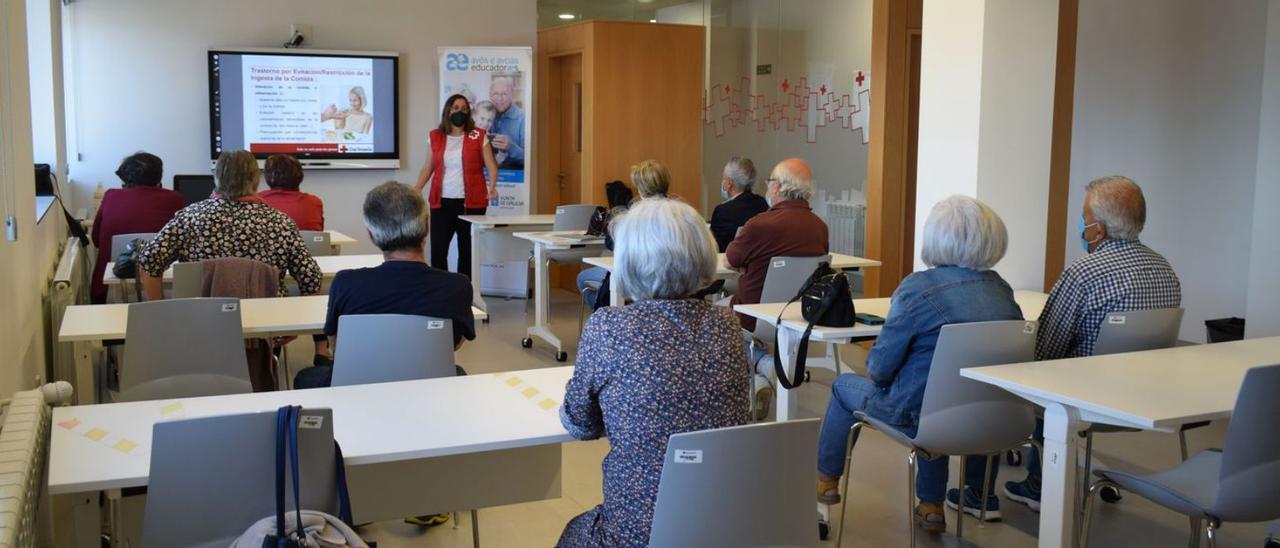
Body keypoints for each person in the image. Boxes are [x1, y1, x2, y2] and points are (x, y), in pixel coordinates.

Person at [815, 195, 1023, 533]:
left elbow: (879, 370)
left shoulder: (917, 288)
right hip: (989, 419)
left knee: (843, 388)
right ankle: (929, 505)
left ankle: (825, 480)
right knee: (937, 395)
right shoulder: (1002, 291)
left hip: (922, 420)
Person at [558, 198, 750, 547]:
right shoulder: (728, 325)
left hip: (638, 532)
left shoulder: (609, 328)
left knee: (575, 531)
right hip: (722, 524)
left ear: (629, 260)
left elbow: (579, 424)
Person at [1004, 175, 1181, 511]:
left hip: (1086, 396)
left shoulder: (1084, 273)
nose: (1081, 226)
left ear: (1097, 230)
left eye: (1084, 218)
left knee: (1033, 375)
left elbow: (1046, 350)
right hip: (1148, 397)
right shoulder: (1165, 269)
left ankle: (1039, 484)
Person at [293, 181, 475, 389]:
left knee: (305, 377)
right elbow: (451, 346)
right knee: (458, 374)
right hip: (428, 390)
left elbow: (336, 345)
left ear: (371, 235)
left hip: (355, 392)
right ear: (426, 226)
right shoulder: (457, 286)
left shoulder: (346, 283)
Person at [137, 150, 322, 300]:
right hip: (267, 330)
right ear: (256, 179)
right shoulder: (281, 223)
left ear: (217, 177)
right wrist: (290, 326)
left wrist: (162, 312)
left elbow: (148, 261)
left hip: (199, 327)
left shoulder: (189, 218)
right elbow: (311, 278)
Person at [725, 157, 829, 332]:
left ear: (778, 186)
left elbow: (729, 261)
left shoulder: (760, 225)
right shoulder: (820, 227)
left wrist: (748, 267)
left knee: (714, 313)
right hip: (802, 317)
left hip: (753, 315)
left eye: (770, 181)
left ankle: (755, 356)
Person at [413, 94, 500, 279]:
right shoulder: (435, 136)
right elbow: (427, 167)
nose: (459, 112)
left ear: (469, 113)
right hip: (441, 202)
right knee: (438, 251)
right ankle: (440, 293)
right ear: (448, 110)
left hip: (472, 203)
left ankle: (464, 293)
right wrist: (416, 190)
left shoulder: (478, 135)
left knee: (467, 252)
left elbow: (491, 165)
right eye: (455, 107)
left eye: (464, 109)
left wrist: (492, 187)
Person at [90, 152, 184, 303]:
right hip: (164, 290)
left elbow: (96, 240)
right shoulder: (175, 199)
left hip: (110, 292)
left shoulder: (111, 196)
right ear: (159, 176)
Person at [576, 160, 671, 307]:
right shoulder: (681, 213)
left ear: (641, 188)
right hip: (672, 278)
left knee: (583, 278)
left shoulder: (634, 214)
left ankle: (611, 319)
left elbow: (613, 244)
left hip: (638, 276)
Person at [709, 156, 769, 252]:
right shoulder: (764, 204)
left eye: (723, 178)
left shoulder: (722, 211)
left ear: (729, 183)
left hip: (729, 264)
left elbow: (715, 248)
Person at [258, 154, 324, 231]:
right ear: (300, 175)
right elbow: (319, 235)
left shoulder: (256, 202)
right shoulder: (314, 202)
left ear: (268, 176)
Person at [488, 74, 525, 169]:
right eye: (496, 94)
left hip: (514, 177)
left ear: (512, 95)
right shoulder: (484, 115)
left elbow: (529, 159)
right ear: (490, 95)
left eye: (504, 94)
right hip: (487, 176)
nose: (500, 99)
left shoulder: (523, 119)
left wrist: (510, 147)